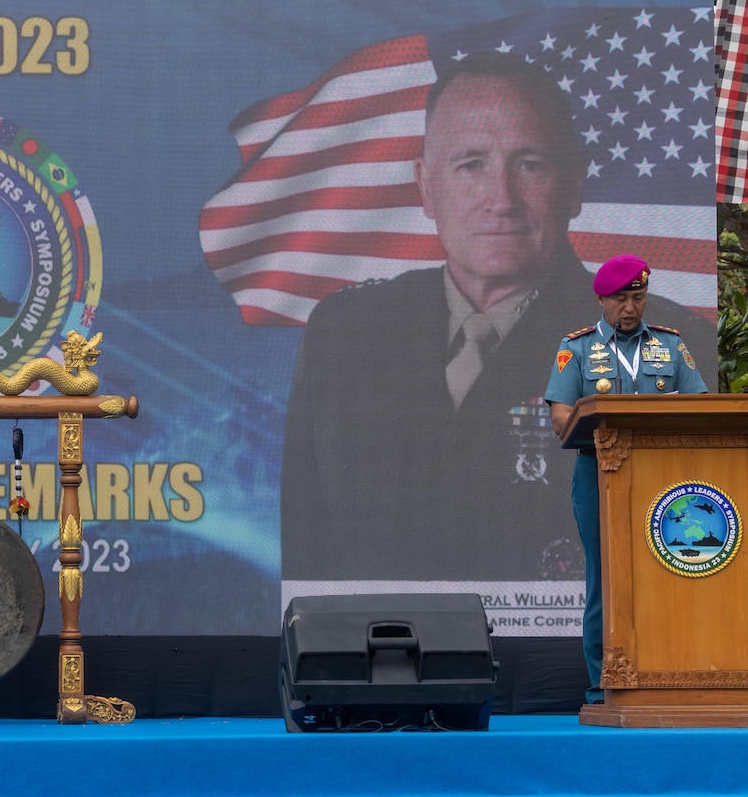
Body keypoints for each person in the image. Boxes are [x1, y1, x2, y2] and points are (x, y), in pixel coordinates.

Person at [282, 52, 714, 582]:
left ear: (575, 183)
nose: (501, 199)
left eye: (530, 164)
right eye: (472, 164)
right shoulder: (346, 333)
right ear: (425, 185)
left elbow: (690, 557)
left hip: (573, 661)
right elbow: (305, 556)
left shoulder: (668, 348)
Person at [544, 255, 708, 703]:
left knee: (669, 567)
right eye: (621, 299)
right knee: (606, 574)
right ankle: (604, 680)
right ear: (601, 298)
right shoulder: (576, 348)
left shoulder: (670, 346)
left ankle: (668, 670)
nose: (630, 307)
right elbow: (561, 418)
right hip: (598, 473)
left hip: (663, 476)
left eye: (638, 297)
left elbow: (699, 406)